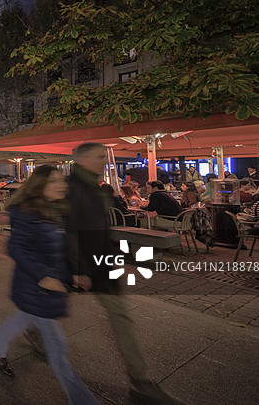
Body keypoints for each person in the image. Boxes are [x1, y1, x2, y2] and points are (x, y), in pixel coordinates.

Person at [66, 142, 184, 405]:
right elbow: (71, 230)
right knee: (49, 307)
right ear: (83, 160)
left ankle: (141, 383)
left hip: (100, 264)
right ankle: (32, 328)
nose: (102, 162)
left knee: (120, 317)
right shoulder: (74, 189)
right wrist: (79, 270)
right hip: (84, 265)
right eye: (97, 157)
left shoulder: (91, 186)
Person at [0, 165, 98, 404]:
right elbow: (15, 247)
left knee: (24, 317)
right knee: (58, 350)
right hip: (37, 288)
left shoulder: (56, 210)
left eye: (61, 180)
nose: (62, 185)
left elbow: (57, 252)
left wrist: (71, 276)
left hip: (46, 287)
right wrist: (42, 277)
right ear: (40, 186)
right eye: (54, 181)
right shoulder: (28, 213)